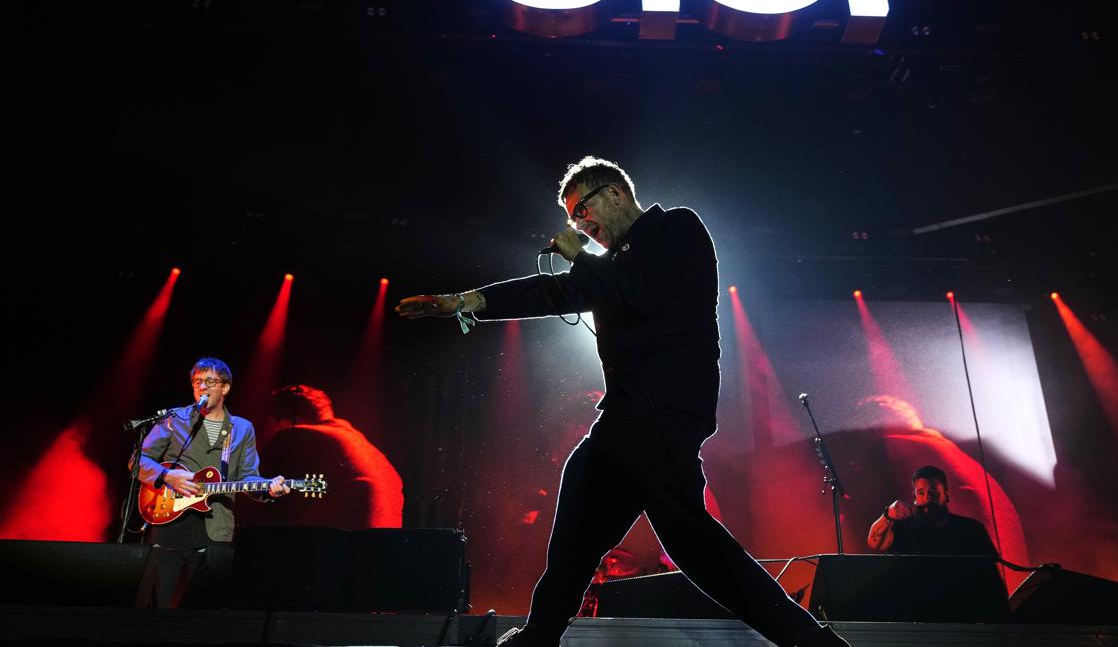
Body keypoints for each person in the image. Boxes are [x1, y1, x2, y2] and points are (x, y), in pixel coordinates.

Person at [396, 156, 850, 647]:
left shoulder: (677, 229)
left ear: (614, 193)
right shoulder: (609, 267)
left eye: (581, 210)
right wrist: (464, 302)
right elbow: (551, 295)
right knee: (697, 549)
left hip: (662, 412)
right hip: (642, 416)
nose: (579, 224)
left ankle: (540, 635)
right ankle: (812, 642)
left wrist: (581, 256)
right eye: (572, 218)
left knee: (590, 497)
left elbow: (639, 295)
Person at [135, 357, 289, 608]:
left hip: (215, 528)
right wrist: (166, 476)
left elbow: (247, 476)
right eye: (197, 382)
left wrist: (269, 489)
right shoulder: (175, 419)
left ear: (225, 387)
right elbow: (139, 459)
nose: (202, 387)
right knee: (159, 604)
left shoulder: (242, 428)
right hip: (169, 523)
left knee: (206, 607)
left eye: (209, 381)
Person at [244, 383, 404, 529]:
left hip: (328, 552)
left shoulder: (295, 435)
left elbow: (256, 508)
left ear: (280, 417)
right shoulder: (369, 450)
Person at [866, 464, 998, 556]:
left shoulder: (971, 530)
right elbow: (874, 543)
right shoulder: (903, 528)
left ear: (946, 494)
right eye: (921, 492)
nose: (927, 497)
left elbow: (991, 577)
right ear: (914, 497)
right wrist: (888, 514)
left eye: (933, 492)